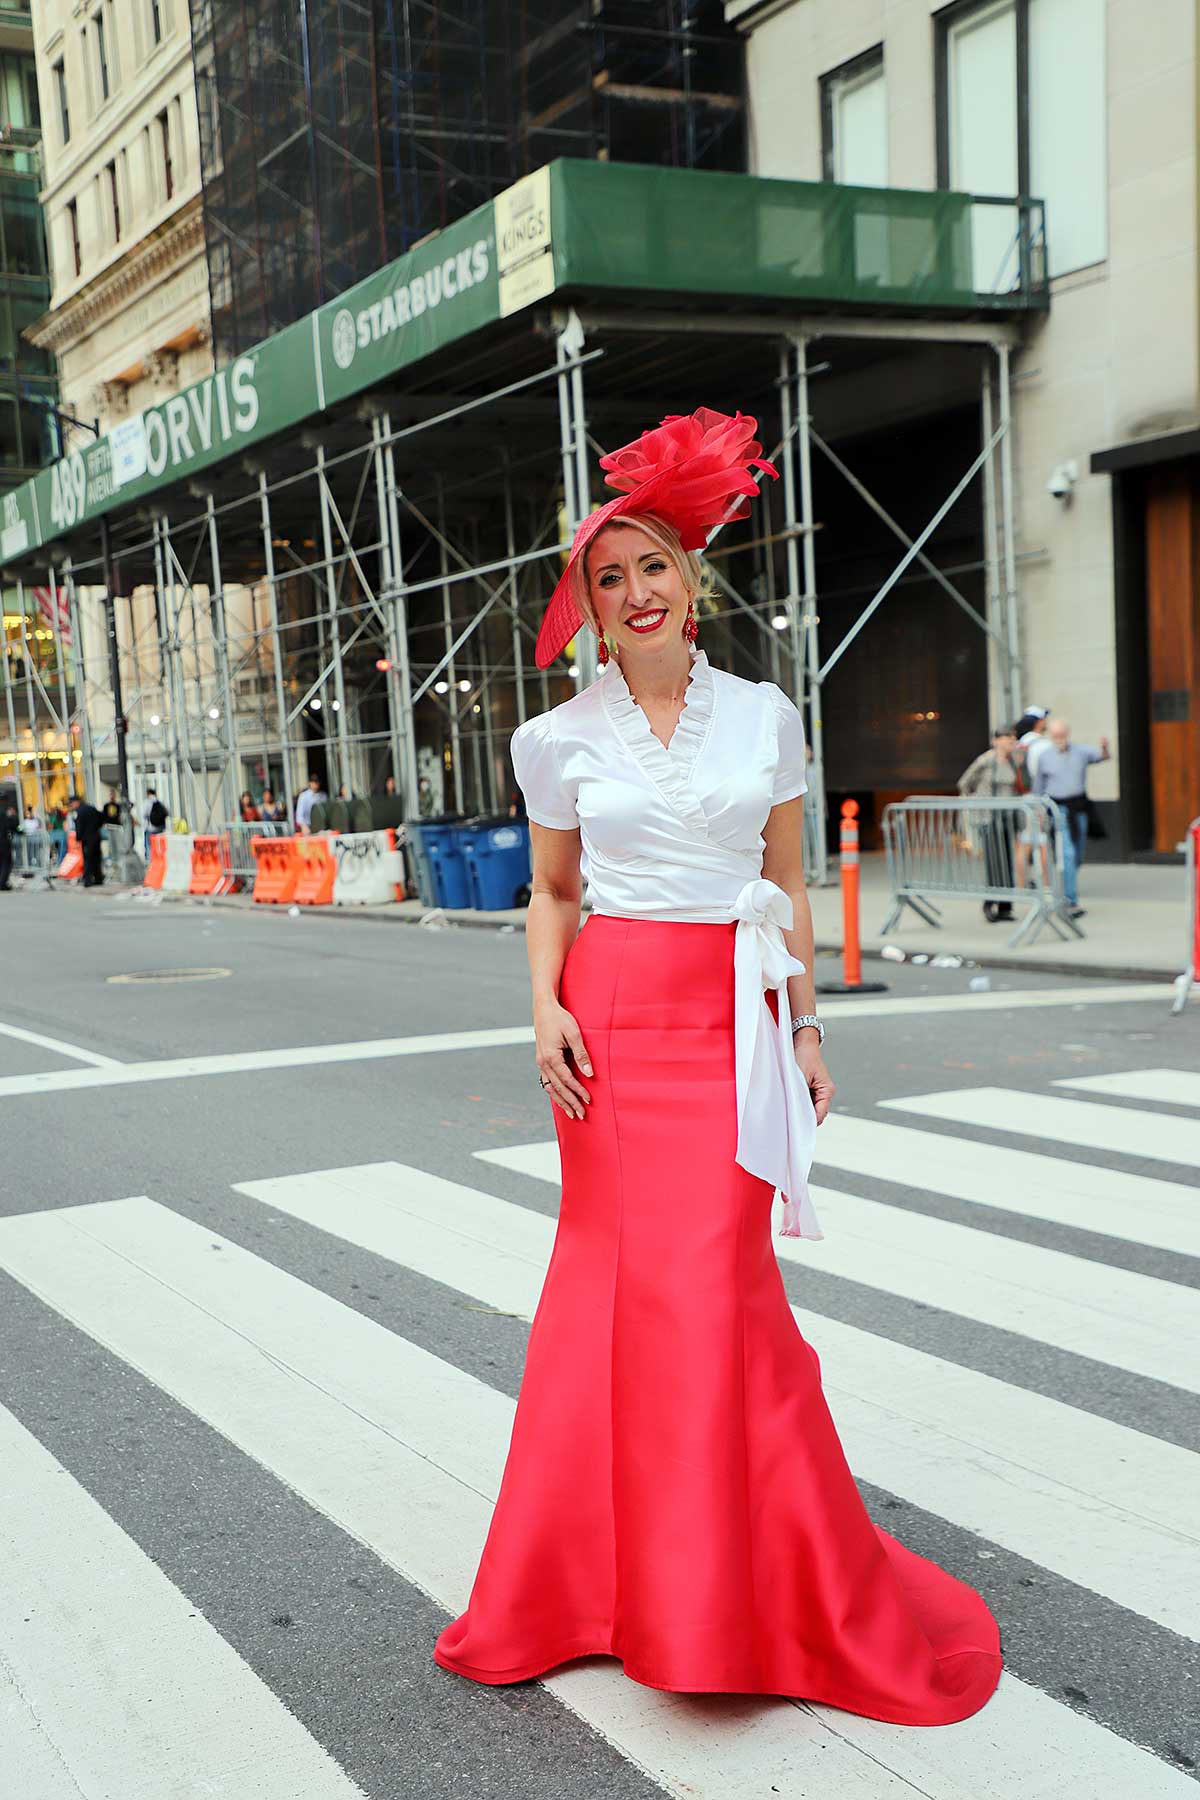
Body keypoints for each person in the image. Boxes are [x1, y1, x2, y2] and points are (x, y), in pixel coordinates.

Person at [432, 407, 1001, 1724]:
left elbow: (786, 886)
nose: (635, 591)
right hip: (613, 1018)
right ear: (588, 604)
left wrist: (806, 1025)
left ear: (693, 580)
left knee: (720, 1292)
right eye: (607, 576)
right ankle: (589, 1587)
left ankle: (735, 1589)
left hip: (734, 1017)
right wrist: (542, 1010)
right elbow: (554, 892)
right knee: (613, 1287)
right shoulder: (558, 737)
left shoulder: (764, 717)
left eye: (653, 566)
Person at [1031, 718, 1111, 917]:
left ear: (1067, 733)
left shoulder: (1081, 752)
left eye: (1062, 734)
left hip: (1079, 807)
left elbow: (1102, 757)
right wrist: (1038, 811)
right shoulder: (1045, 756)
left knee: (1077, 852)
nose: (1059, 738)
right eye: (1055, 735)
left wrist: (1104, 748)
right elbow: (1038, 787)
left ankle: (1068, 882)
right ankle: (1070, 899)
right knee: (1067, 852)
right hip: (1058, 809)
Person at [956, 727, 1022, 922]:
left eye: (1013, 738)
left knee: (1006, 861)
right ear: (996, 741)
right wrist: (979, 800)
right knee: (994, 861)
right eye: (1007, 738)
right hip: (988, 818)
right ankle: (989, 902)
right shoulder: (985, 760)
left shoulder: (1014, 760)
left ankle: (1005, 907)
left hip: (1007, 817)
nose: (1011, 742)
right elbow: (965, 783)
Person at [74, 792, 106, 886]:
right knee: (96, 858)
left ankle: (88, 880)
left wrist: (78, 838)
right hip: (96, 836)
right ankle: (98, 878)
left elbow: (79, 826)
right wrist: (97, 827)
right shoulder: (91, 808)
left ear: (76, 802)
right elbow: (102, 817)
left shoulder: (80, 811)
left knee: (88, 859)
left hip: (87, 838)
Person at [0, 792, 17, 890]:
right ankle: (2, 883)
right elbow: (13, 825)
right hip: (3, 841)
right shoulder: (6, 812)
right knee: (6, 862)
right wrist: (21, 830)